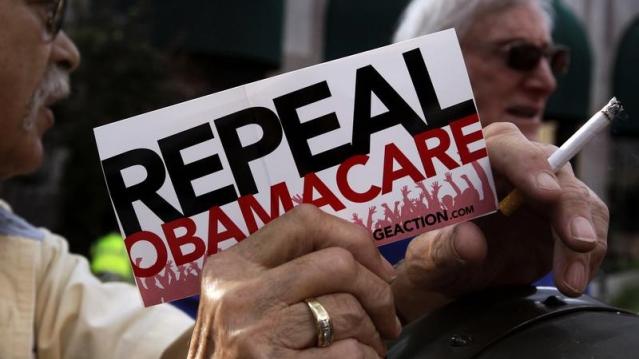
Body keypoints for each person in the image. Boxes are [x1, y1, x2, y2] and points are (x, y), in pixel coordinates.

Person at [1, 1, 606, 359]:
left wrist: (427, 295)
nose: (547, 83)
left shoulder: (30, 268)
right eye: (49, 9)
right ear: (431, 54)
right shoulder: (267, 216)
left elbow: (177, 348)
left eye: (557, 62)